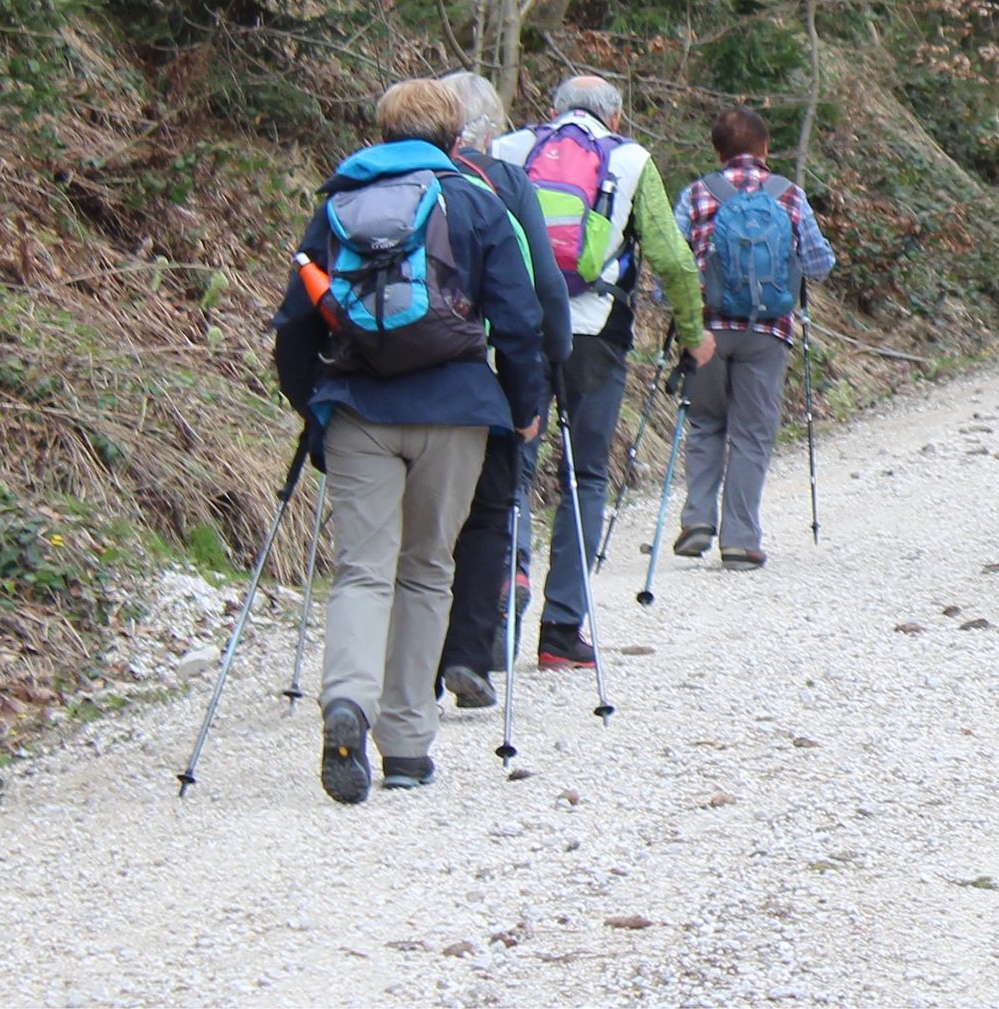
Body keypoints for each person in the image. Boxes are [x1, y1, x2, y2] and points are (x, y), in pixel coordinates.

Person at [271, 79, 544, 803]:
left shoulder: (338, 206)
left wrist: (314, 404)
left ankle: (346, 702)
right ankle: (406, 746)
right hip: (456, 408)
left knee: (362, 571)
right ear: (456, 139)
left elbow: (296, 323)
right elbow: (519, 322)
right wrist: (525, 409)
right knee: (426, 570)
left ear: (382, 133)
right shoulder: (476, 203)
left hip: (359, 406)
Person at [491, 74, 714, 669]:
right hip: (595, 332)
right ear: (615, 118)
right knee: (585, 475)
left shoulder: (509, 149)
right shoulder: (632, 160)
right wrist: (693, 335)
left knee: (511, 466)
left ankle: (503, 592)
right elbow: (672, 259)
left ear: (552, 110)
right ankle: (562, 631)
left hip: (516, 329)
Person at [434, 70, 571, 710]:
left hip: (386, 378)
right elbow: (542, 285)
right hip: (483, 373)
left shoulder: (383, 182)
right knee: (492, 509)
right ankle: (472, 650)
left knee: (420, 521)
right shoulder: (507, 182)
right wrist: (549, 367)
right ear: (489, 128)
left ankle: (410, 664)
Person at [670, 107, 835, 570]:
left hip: (706, 330)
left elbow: (673, 262)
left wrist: (677, 307)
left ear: (717, 151)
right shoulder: (788, 195)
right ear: (765, 149)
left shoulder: (696, 193)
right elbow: (820, 265)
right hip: (768, 332)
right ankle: (740, 539)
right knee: (752, 433)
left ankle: (698, 519)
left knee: (705, 423)